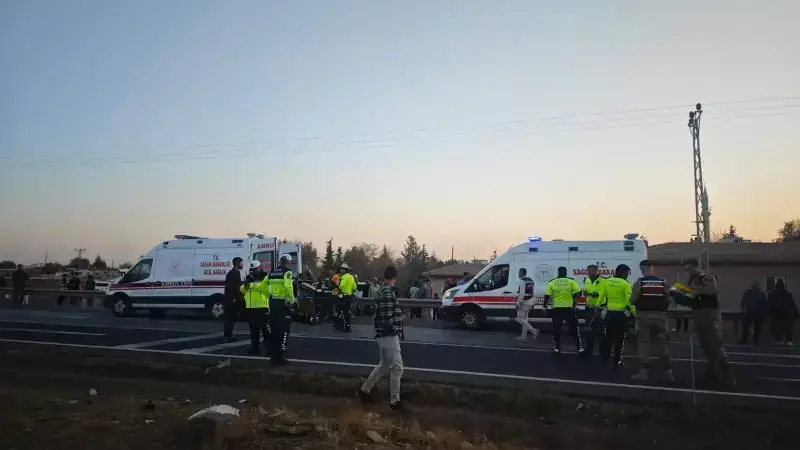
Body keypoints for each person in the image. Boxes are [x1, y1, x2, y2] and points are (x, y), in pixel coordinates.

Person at [357, 265, 408, 412]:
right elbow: (386, 318)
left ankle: (364, 390)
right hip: (388, 335)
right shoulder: (387, 292)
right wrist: (395, 327)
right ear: (394, 277)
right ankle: (395, 402)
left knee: (384, 365)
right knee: (397, 367)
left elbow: (384, 314)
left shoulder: (383, 290)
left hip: (383, 334)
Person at [683, 259, 734, 385]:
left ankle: (727, 375)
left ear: (696, 267)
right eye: (686, 270)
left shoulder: (706, 277)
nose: (688, 272)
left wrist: (693, 289)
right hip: (698, 313)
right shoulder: (691, 280)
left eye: (689, 269)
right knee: (705, 345)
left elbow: (713, 290)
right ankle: (711, 372)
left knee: (715, 344)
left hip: (710, 314)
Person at [630, 261, 674, 382]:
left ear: (642, 269)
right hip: (660, 317)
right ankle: (669, 374)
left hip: (644, 317)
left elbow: (633, 299)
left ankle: (643, 373)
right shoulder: (663, 282)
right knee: (662, 345)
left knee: (644, 344)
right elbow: (669, 298)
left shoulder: (640, 282)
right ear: (652, 268)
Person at [545, 266, 584, 354]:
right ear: (566, 273)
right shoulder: (571, 281)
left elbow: (547, 296)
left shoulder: (552, 282)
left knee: (557, 329)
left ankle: (557, 347)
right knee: (574, 328)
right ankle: (579, 347)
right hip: (568, 309)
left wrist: (545, 306)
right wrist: (574, 300)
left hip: (557, 309)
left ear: (558, 272)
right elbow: (579, 292)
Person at [600, 264, 633, 368]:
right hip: (621, 315)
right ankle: (617, 361)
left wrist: (597, 307)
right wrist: (634, 313)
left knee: (608, 337)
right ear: (622, 272)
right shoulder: (625, 283)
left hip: (609, 314)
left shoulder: (607, 281)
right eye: (627, 273)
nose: (627, 275)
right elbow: (629, 301)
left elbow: (601, 296)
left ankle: (605, 359)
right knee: (620, 339)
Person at [268, 253, 296, 365]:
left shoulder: (272, 272)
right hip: (283, 305)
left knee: (274, 330)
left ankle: (274, 356)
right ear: (288, 263)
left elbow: (266, 286)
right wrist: (293, 300)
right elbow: (288, 287)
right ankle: (279, 357)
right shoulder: (287, 272)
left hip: (273, 303)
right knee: (284, 330)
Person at [241, 261, 271, 355]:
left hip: (262, 306)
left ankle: (269, 350)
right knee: (253, 331)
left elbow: (268, 289)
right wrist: (245, 286)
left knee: (265, 330)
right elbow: (242, 290)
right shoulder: (249, 277)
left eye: (254, 269)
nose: (252, 272)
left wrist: (252, 285)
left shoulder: (265, 276)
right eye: (251, 270)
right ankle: (255, 349)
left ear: (259, 268)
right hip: (250, 307)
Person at [582, 265, 607, 357]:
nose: (589, 273)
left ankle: (603, 351)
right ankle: (588, 350)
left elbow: (601, 294)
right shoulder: (587, 280)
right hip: (589, 307)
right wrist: (585, 293)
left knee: (600, 330)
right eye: (588, 271)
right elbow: (587, 292)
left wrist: (590, 294)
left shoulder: (603, 281)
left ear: (596, 271)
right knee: (589, 329)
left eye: (591, 271)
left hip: (599, 308)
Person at [223, 257, 245, 343]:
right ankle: (227, 336)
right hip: (231, 301)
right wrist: (233, 298)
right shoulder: (232, 273)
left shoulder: (236, 273)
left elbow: (238, 285)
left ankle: (230, 335)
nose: (242, 264)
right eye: (241, 263)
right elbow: (230, 287)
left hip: (235, 300)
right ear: (237, 263)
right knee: (229, 319)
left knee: (233, 319)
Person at [769, 279, 797, 346]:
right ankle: (787, 340)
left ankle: (782, 340)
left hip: (779, 313)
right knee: (786, 327)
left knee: (777, 327)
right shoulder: (787, 294)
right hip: (784, 313)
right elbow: (792, 305)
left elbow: (770, 304)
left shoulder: (774, 294)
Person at [515, 268, 539, 341]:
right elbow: (533, 293)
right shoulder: (531, 281)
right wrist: (533, 303)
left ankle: (533, 330)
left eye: (519, 272)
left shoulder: (522, 281)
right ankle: (523, 336)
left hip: (524, 302)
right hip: (530, 302)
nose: (518, 273)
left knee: (518, 319)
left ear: (522, 273)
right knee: (525, 320)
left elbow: (521, 294)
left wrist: (518, 303)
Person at [337, 263, 357, 332]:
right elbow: (354, 287)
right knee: (348, 311)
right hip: (350, 296)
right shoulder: (351, 277)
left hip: (344, 296)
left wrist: (340, 291)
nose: (341, 270)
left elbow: (341, 285)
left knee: (342, 311)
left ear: (345, 270)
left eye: (342, 269)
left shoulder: (344, 277)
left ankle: (344, 326)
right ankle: (348, 325)